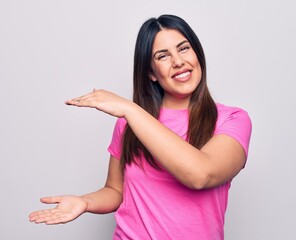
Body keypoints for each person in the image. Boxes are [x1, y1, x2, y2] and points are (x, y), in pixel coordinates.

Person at [29, 14, 252, 240]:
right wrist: (85, 202)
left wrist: (131, 109)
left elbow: (200, 175)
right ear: (151, 73)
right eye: (163, 56)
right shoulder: (128, 123)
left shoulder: (232, 119)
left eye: (184, 49)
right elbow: (115, 191)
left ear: (197, 54)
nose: (178, 61)